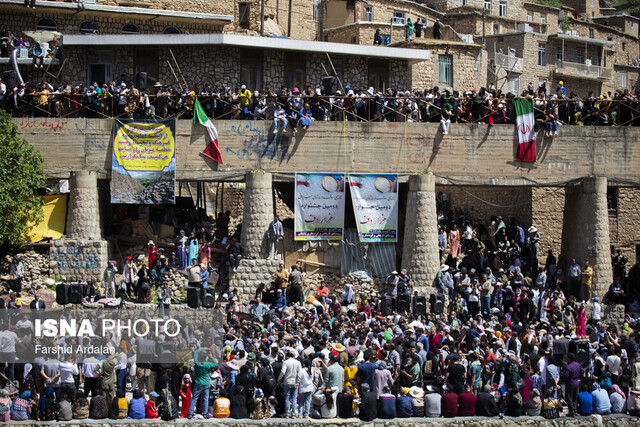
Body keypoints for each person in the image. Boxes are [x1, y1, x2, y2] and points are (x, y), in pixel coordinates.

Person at [187, 347, 218, 419]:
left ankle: (190, 413)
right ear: (205, 358)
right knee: (205, 398)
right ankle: (204, 413)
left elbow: (196, 353)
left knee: (194, 398)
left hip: (198, 383)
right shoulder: (208, 365)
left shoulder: (197, 364)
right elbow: (216, 364)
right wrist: (211, 357)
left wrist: (203, 348)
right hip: (206, 383)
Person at [278, 351, 302, 418]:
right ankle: (293, 414)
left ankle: (287, 413)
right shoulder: (298, 362)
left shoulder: (286, 362)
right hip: (295, 382)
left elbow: (283, 372)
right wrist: (297, 382)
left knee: (287, 398)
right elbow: (299, 374)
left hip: (287, 382)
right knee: (294, 398)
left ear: (287, 356)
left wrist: (279, 378)